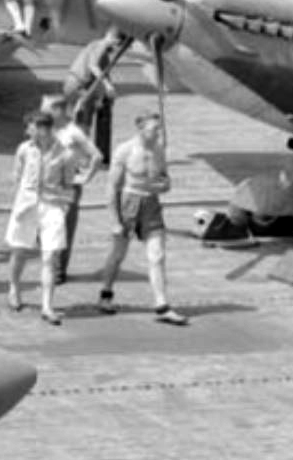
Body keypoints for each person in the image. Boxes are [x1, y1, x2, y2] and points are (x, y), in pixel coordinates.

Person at [91, 109, 188, 325]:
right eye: (154, 129)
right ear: (141, 129)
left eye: (159, 129)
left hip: (151, 204)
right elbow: (111, 187)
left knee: (157, 255)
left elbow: (166, 180)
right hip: (128, 202)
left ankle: (161, 304)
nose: (158, 133)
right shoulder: (125, 150)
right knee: (118, 254)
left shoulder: (159, 150)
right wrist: (115, 220)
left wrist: (164, 185)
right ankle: (105, 294)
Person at [1, 110, 61, 322]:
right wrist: (18, 204)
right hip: (27, 204)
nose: (27, 131)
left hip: (52, 205)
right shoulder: (24, 149)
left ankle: (47, 306)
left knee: (49, 256)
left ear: (42, 128)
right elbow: (17, 177)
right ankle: (14, 286)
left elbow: (69, 179)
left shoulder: (61, 150)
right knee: (19, 251)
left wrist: (65, 202)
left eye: (30, 127)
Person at [42, 95, 104, 287]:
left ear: (59, 110)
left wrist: (85, 177)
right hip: (47, 185)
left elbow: (97, 156)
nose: (43, 113)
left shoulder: (73, 132)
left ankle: (59, 271)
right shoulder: (47, 129)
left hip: (67, 186)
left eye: (46, 109)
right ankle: (49, 266)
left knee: (63, 228)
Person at [63, 27, 130, 163]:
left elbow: (105, 74)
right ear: (116, 41)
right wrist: (107, 86)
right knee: (84, 124)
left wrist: (106, 92)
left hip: (75, 84)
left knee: (78, 121)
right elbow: (93, 67)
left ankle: (75, 155)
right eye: (118, 46)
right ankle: (80, 158)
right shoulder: (100, 45)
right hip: (79, 84)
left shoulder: (100, 50)